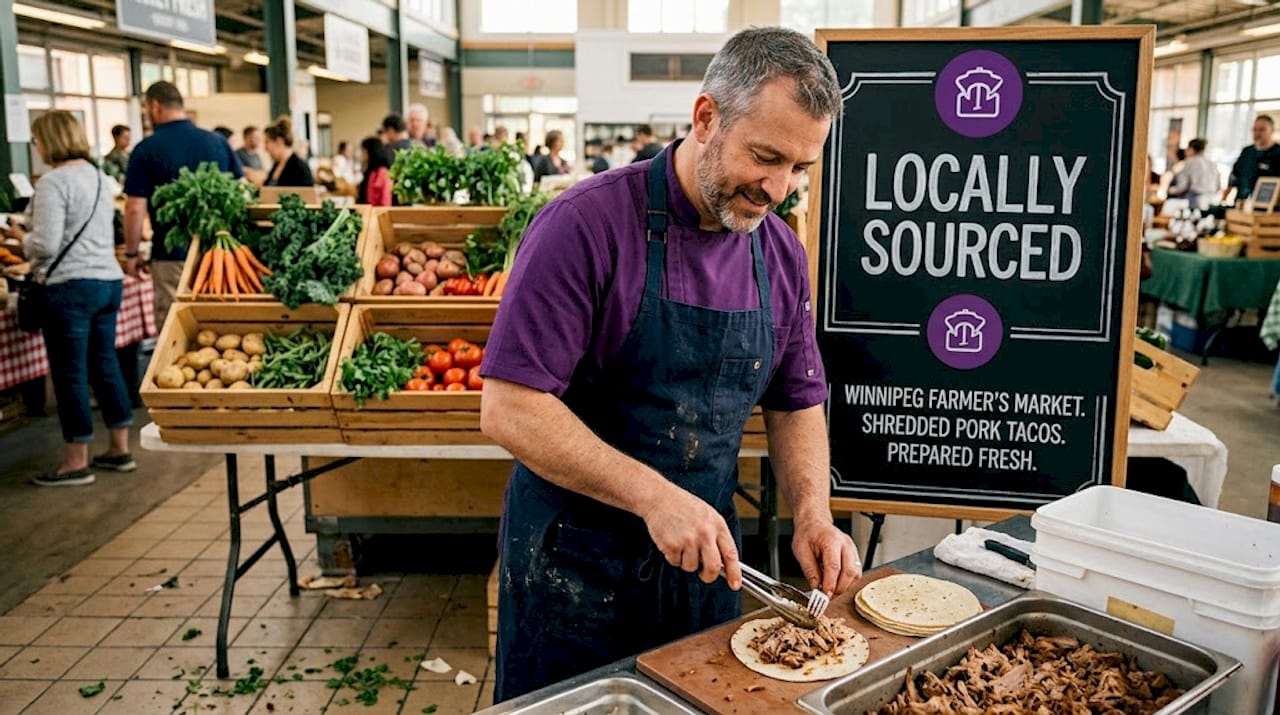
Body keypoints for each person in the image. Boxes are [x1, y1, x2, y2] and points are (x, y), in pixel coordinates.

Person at [480, 27, 859, 701]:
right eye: (766, 157)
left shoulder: (779, 252)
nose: (779, 188)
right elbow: (510, 407)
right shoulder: (584, 226)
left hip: (705, 574)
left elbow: (796, 401)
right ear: (706, 117)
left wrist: (812, 514)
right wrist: (652, 496)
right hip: (573, 572)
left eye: (800, 168)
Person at [3, 111, 134, 486]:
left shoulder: (53, 181)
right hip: (108, 281)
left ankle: (76, 461)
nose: (36, 146)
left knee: (70, 372)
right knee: (105, 364)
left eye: (37, 139)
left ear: (49, 140)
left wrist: (19, 240)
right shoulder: (97, 176)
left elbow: (44, 244)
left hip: (71, 286)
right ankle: (119, 448)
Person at [123, 81, 242, 327]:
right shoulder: (218, 142)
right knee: (221, 322)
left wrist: (132, 253)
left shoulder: (145, 149)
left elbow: (135, 208)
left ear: (155, 107)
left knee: (174, 326)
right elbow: (243, 193)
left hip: (171, 254)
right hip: (219, 252)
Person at [1228, 115, 1280, 201]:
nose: (1257, 133)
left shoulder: (1277, 153)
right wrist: (1227, 192)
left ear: (1272, 131)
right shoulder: (1247, 152)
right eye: (1254, 130)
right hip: (1242, 202)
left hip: (1267, 205)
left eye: (1262, 130)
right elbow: (1235, 173)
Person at [262, 115, 314, 187]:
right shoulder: (276, 165)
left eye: (267, 142)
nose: (265, 148)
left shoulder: (300, 168)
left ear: (279, 141)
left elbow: (305, 195)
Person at [1168, 138, 1219, 211]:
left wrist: (1170, 190)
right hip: (1212, 200)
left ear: (1191, 149)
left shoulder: (1190, 162)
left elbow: (1182, 186)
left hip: (1195, 200)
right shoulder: (1212, 164)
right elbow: (1217, 186)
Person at [357, 136, 391, 206]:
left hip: (375, 212)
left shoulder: (382, 172)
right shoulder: (371, 170)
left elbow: (386, 200)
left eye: (363, 151)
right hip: (367, 209)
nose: (362, 155)